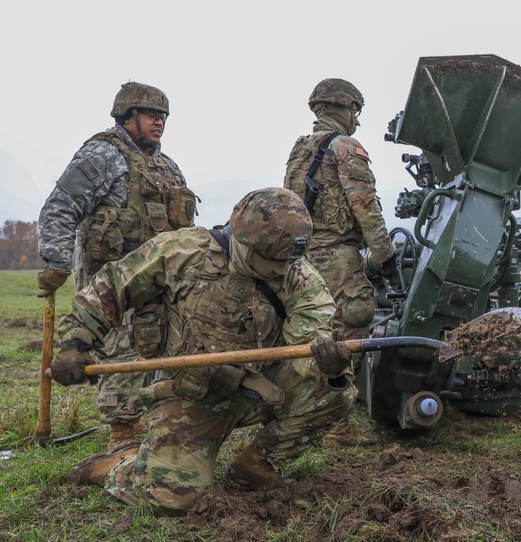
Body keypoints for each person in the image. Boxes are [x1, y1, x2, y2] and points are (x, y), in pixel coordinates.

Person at [49, 188, 353, 515]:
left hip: (261, 388)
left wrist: (329, 366)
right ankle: (119, 464)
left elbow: (310, 339)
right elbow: (109, 289)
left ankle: (256, 468)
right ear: (242, 241)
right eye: (271, 262)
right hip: (190, 393)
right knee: (174, 501)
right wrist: (75, 345)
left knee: (335, 392)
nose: (280, 271)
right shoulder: (180, 252)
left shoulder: (297, 274)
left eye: (286, 262)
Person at [37, 82, 195, 450]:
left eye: (164, 117)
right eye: (152, 116)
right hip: (112, 281)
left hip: (161, 279)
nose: (159, 123)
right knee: (123, 352)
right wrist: (56, 262)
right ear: (127, 117)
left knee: (163, 347)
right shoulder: (102, 155)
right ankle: (121, 436)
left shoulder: (166, 166)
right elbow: (60, 206)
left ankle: (161, 425)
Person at [283, 78, 397, 447]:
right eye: (355, 112)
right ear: (344, 108)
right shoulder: (347, 147)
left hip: (304, 258)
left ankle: (307, 416)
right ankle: (335, 427)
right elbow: (366, 208)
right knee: (349, 332)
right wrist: (385, 257)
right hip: (338, 259)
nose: (357, 121)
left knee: (314, 335)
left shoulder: (301, 149)